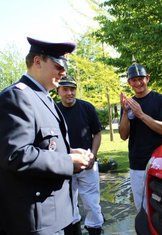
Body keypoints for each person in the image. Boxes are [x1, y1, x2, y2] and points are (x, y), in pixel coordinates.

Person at [0, 37, 95, 235]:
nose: (64, 72)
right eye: (58, 66)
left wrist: (69, 152)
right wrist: (68, 161)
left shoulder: (43, 97)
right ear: (37, 61)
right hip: (37, 219)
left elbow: (43, 146)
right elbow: (16, 155)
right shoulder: (17, 97)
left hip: (55, 214)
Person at [119, 63, 162, 212]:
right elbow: (123, 135)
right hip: (137, 163)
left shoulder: (161, 100)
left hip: (160, 163)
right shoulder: (128, 104)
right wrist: (125, 113)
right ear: (129, 82)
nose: (138, 83)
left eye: (141, 78)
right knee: (141, 208)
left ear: (148, 78)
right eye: (133, 80)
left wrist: (141, 115)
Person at [57, 76, 104, 235]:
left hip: (88, 164)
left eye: (72, 89)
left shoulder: (87, 108)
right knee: (68, 204)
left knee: (91, 203)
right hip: (64, 164)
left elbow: (97, 134)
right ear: (58, 91)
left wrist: (93, 155)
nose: (69, 93)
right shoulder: (53, 110)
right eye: (65, 89)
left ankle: (95, 230)